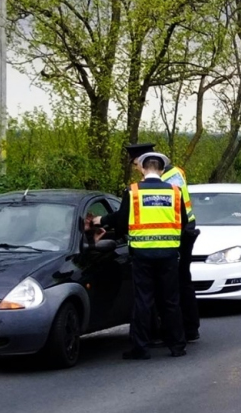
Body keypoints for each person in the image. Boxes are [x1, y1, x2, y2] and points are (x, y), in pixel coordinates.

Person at [92, 152, 187, 360]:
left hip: (142, 255)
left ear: (143, 169)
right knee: (171, 301)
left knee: (143, 301)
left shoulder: (133, 191)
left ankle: (141, 348)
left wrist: (103, 223)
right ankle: (177, 345)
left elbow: (122, 222)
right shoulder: (175, 191)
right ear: (162, 170)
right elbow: (184, 222)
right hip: (169, 254)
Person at [125, 143, 201, 342]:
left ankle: (185, 329)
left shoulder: (165, 180)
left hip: (179, 233)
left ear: (144, 162)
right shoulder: (175, 172)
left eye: (136, 164)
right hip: (181, 230)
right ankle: (184, 331)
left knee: (177, 284)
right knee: (179, 283)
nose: (135, 169)